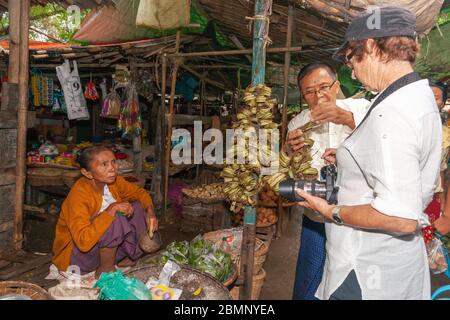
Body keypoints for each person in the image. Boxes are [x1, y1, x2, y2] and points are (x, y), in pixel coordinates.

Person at [296, 6, 442, 300]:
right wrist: (353, 158)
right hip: (391, 265)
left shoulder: (393, 112)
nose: (351, 69)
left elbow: (399, 217)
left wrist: (331, 212)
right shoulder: (415, 96)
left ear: (373, 47)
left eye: (351, 57)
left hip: (365, 271)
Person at [286, 62, 370, 300]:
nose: (317, 95)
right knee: (311, 273)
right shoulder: (298, 123)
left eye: (323, 87)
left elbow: (383, 144)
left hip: (356, 212)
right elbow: (290, 165)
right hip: (316, 212)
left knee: (350, 275)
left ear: (336, 85)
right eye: (309, 92)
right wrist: (289, 150)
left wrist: (347, 119)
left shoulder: (361, 109)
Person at [52, 146, 158, 278]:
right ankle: (106, 269)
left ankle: (130, 256)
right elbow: (83, 242)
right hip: (78, 259)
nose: (112, 168)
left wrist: (150, 212)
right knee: (115, 217)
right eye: (104, 164)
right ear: (87, 173)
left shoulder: (114, 182)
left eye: (113, 162)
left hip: (103, 250)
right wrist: (111, 210)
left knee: (137, 207)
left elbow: (139, 193)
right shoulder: (79, 196)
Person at [430, 79, 450, 235]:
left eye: (435, 97)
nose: (429, 101)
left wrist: (446, 213)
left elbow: (442, 171)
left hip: (432, 199)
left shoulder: (445, 134)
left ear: (443, 103)